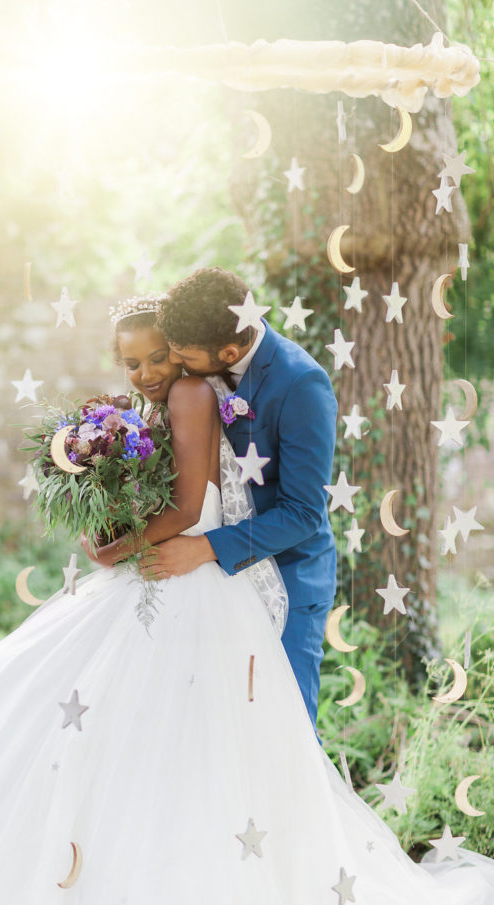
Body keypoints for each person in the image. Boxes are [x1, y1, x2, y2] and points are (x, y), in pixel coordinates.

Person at [0, 295, 494, 905]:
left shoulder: (211, 388)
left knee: (220, 749)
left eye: (163, 355)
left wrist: (113, 549)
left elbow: (199, 508)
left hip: (211, 571)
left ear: (200, 350)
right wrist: (105, 473)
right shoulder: (174, 391)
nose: (154, 371)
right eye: (136, 362)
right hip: (182, 568)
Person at [138, 267, 338, 738]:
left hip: (287, 572)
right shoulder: (201, 361)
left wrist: (205, 547)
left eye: (182, 357)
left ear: (228, 353)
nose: (176, 364)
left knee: (279, 725)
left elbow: (304, 513)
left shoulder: (301, 384)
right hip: (210, 582)